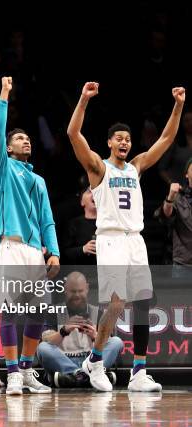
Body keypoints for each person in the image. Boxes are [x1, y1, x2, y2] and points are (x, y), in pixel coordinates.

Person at [67, 81, 185, 392]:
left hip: (135, 240)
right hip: (111, 239)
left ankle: (139, 373)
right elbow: (73, 135)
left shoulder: (136, 167)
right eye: (119, 138)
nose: (125, 142)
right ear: (109, 142)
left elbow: (167, 138)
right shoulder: (98, 168)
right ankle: (94, 361)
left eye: (128, 139)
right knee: (117, 304)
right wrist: (83, 99)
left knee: (143, 303)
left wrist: (178, 105)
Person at [0, 77, 59, 395]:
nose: (26, 141)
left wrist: (54, 251)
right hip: (10, 246)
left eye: (28, 138)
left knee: (37, 312)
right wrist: (4, 95)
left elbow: (47, 220)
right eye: (19, 138)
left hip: (34, 252)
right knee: (8, 309)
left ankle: (28, 369)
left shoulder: (40, 180)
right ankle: (12, 372)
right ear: (8, 147)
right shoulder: (3, 168)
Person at [37, 272, 123, 387]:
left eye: (80, 291)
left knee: (116, 342)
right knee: (42, 348)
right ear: (65, 289)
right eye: (73, 291)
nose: (77, 295)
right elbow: (46, 339)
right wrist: (64, 330)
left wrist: (95, 336)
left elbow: (110, 343)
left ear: (87, 288)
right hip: (62, 360)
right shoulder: (53, 312)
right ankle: (85, 376)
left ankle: (74, 378)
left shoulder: (98, 313)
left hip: (92, 362)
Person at [155, 158, 192, 277]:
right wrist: (170, 196)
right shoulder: (179, 198)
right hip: (183, 265)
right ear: (187, 174)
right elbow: (165, 215)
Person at [62, 188, 97, 265]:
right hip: (82, 270)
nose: (94, 193)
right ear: (82, 202)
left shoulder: (109, 223)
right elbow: (65, 252)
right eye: (90, 191)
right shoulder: (74, 224)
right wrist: (83, 249)